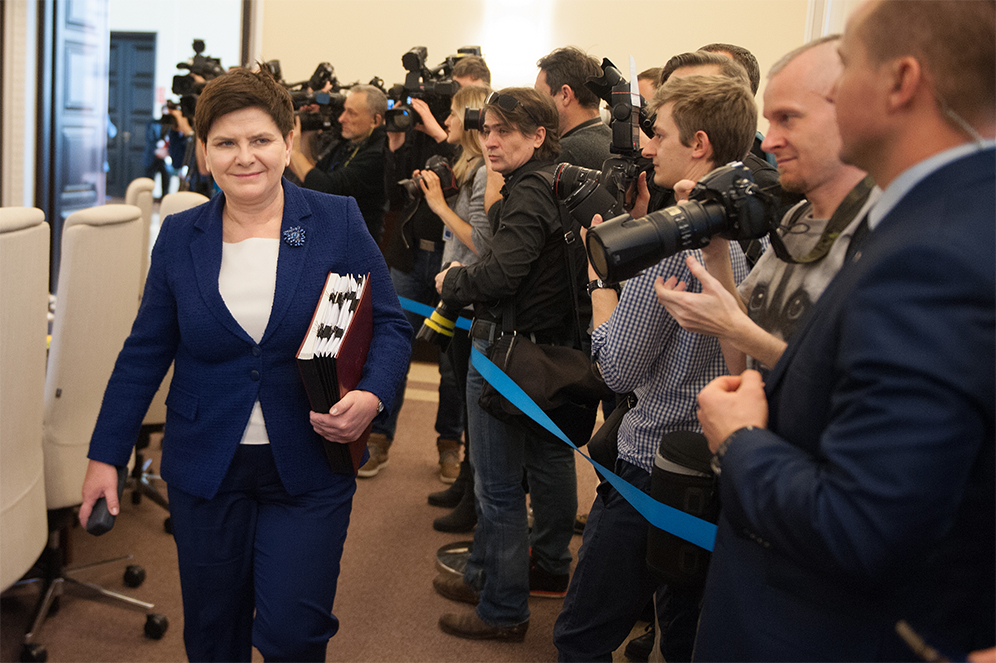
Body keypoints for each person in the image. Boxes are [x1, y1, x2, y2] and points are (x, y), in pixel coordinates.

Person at [692, 1, 995, 660]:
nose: (834, 88)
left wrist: (740, 438)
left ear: (900, 82)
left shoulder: (933, 254)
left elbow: (861, 524)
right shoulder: (945, 216)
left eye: (848, 68)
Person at [80, 67, 412, 662]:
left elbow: (389, 323)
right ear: (204, 154)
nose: (245, 157)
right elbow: (144, 352)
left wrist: (375, 397)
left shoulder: (336, 220)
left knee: (294, 634)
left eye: (260, 140)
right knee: (212, 633)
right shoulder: (181, 235)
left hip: (309, 464)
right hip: (206, 467)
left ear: (289, 142)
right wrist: (106, 455)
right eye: (226, 143)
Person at [552, 74, 756, 663]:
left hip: (652, 470)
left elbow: (614, 370)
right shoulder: (742, 235)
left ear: (697, 144)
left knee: (581, 637)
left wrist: (600, 285)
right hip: (713, 467)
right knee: (684, 631)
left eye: (658, 133)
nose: (646, 146)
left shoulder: (673, 248)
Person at [432, 87, 591, 641]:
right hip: (546, 350)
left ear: (539, 135)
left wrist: (454, 281)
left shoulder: (528, 193)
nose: (491, 140)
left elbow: (500, 276)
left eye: (506, 131)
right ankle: (493, 574)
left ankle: (502, 609)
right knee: (540, 465)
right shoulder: (558, 181)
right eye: (489, 129)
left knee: (498, 489)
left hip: (508, 352)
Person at [656, 36, 878, 375]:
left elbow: (856, 384)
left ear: (848, 114)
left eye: (788, 118)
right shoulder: (794, 221)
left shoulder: (886, 231)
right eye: (770, 122)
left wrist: (734, 328)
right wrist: (715, 251)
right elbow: (742, 365)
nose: (770, 141)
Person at [416, 84, 496, 529]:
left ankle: (473, 495)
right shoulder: (468, 166)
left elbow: (481, 242)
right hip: (456, 291)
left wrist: (438, 206)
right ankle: (465, 486)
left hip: (469, 294)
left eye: (451, 114)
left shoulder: (485, 170)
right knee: (462, 395)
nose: (446, 122)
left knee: (471, 402)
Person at [289, 84, 389, 240]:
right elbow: (313, 174)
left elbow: (326, 188)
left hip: (355, 245)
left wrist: (293, 151)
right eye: (344, 110)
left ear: (375, 121)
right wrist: (306, 136)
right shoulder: (350, 142)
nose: (342, 118)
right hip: (333, 236)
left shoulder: (378, 154)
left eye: (351, 113)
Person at [535, 46, 613, 170]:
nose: (537, 106)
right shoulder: (613, 141)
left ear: (565, 95)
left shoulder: (565, 153)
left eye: (540, 96)